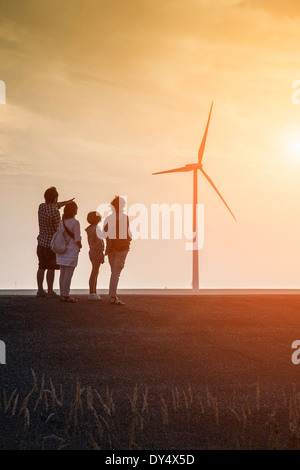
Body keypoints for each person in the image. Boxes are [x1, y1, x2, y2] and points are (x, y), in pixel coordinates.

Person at [36, 187, 74, 298]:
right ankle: (50, 291)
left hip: (41, 241)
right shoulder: (55, 212)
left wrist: (66, 202)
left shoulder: (42, 206)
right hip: (51, 244)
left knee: (41, 267)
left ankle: (40, 290)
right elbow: (59, 228)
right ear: (55, 198)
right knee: (51, 267)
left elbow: (55, 205)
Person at [103, 196, 132, 306]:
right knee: (116, 274)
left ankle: (112, 295)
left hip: (111, 249)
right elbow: (126, 233)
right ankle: (112, 296)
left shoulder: (108, 218)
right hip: (121, 249)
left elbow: (105, 232)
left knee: (113, 273)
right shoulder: (124, 217)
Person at [56, 201, 82, 303]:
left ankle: (62, 294)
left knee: (62, 272)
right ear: (74, 211)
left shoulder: (61, 222)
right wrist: (80, 245)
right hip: (71, 250)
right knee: (68, 273)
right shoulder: (75, 223)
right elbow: (77, 238)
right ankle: (66, 295)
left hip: (62, 250)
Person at [85, 211, 105, 300]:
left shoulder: (89, 229)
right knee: (95, 272)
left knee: (95, 271)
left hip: (91, 251)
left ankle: (93, 291)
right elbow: (99, 243)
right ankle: (92, 292)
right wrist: (102, 253)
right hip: (97, 252)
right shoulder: (97, 229)